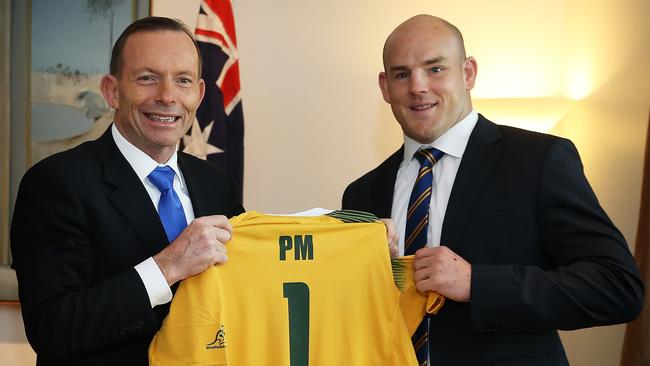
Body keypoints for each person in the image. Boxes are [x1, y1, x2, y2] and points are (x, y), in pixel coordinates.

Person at [342, 14, 644, 365]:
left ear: (468, 73)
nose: (418, 86)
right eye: (401, 74)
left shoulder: (538, 160)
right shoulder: (361, 195)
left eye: (435, 68)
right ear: (385, 87)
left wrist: (476, 283)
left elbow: (617, 287)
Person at [10, 17, 243, 365]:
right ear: (112, 91)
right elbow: (53, 329)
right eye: (147, 78)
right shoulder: (55, 183)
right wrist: (166, 267)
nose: (167, 97)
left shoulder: (216, 184)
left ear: (199, 93)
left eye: (182, 80)